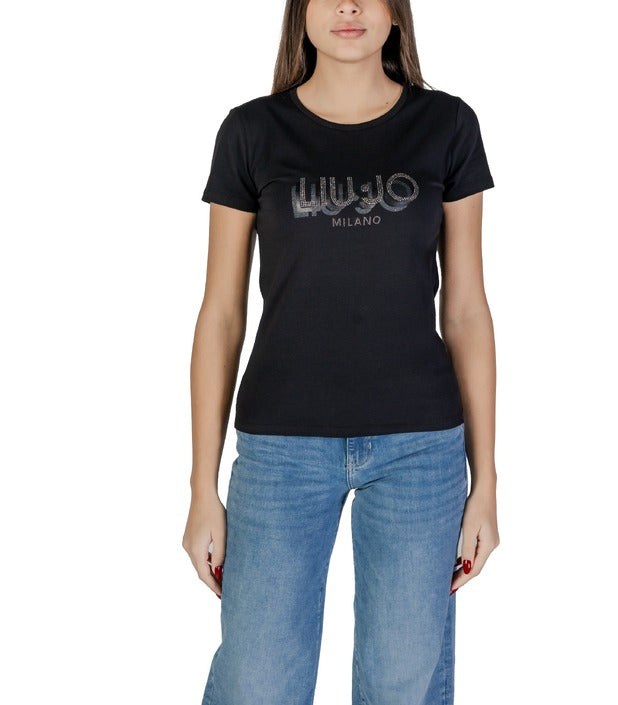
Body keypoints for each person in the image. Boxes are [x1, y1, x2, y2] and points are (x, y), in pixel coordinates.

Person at [182, 1, 500, 703]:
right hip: (280, 447)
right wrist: (202, 488)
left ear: (396, 14)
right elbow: (221, 315)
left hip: (421, 447)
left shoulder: (447, 125)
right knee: (257, 683)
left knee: (401, 683)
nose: (348, 6)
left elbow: (467, 311)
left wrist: (486, 482)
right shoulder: (251, 131)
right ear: (301, 12)